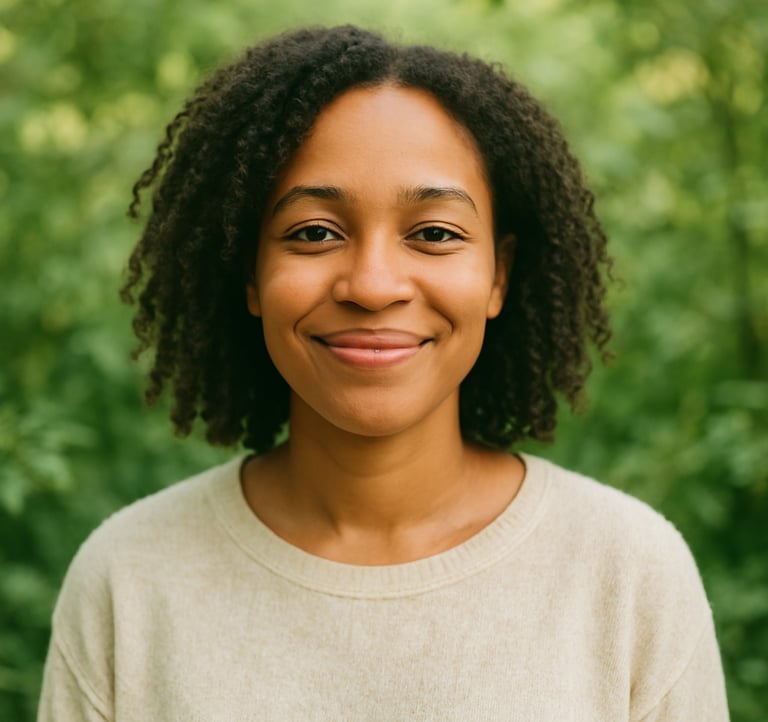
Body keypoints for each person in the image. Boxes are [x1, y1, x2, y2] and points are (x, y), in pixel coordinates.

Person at [38, 25, 728, 721]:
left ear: (499, 275)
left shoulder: (627, 575)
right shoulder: (129, 580)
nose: (372, 285)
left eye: (434, 233)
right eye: (314, 232)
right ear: (250, 274)